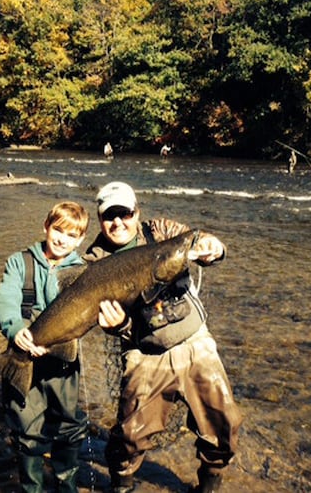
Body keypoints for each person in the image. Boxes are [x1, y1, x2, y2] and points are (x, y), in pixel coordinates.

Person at [84, 182, 242, 493]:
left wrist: (214, 247)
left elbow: (198, 239)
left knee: (224, 426)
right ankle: (122, 485)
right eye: (109, 216)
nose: (118, 223)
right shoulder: (95, 261)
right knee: (130, 436)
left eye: (124, 213)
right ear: (100, 220)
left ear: (136, 213)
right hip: (144, 353)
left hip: (195, 342)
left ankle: (209, 485)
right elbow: (103, 319)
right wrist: (119, 327)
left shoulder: (160, 230)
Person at [0, 201, 90, 493]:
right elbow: (6, 300)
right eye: (58, 230)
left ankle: (67, 487)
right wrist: (15, 328)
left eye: (72, 235)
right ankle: (32, 488)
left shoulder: (84, 272)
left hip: (64, 360)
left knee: (69, 428)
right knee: (27, 432)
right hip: (24, 353)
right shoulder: (19, 262)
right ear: (46, 227)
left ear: (81, 240)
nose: (63, 239)